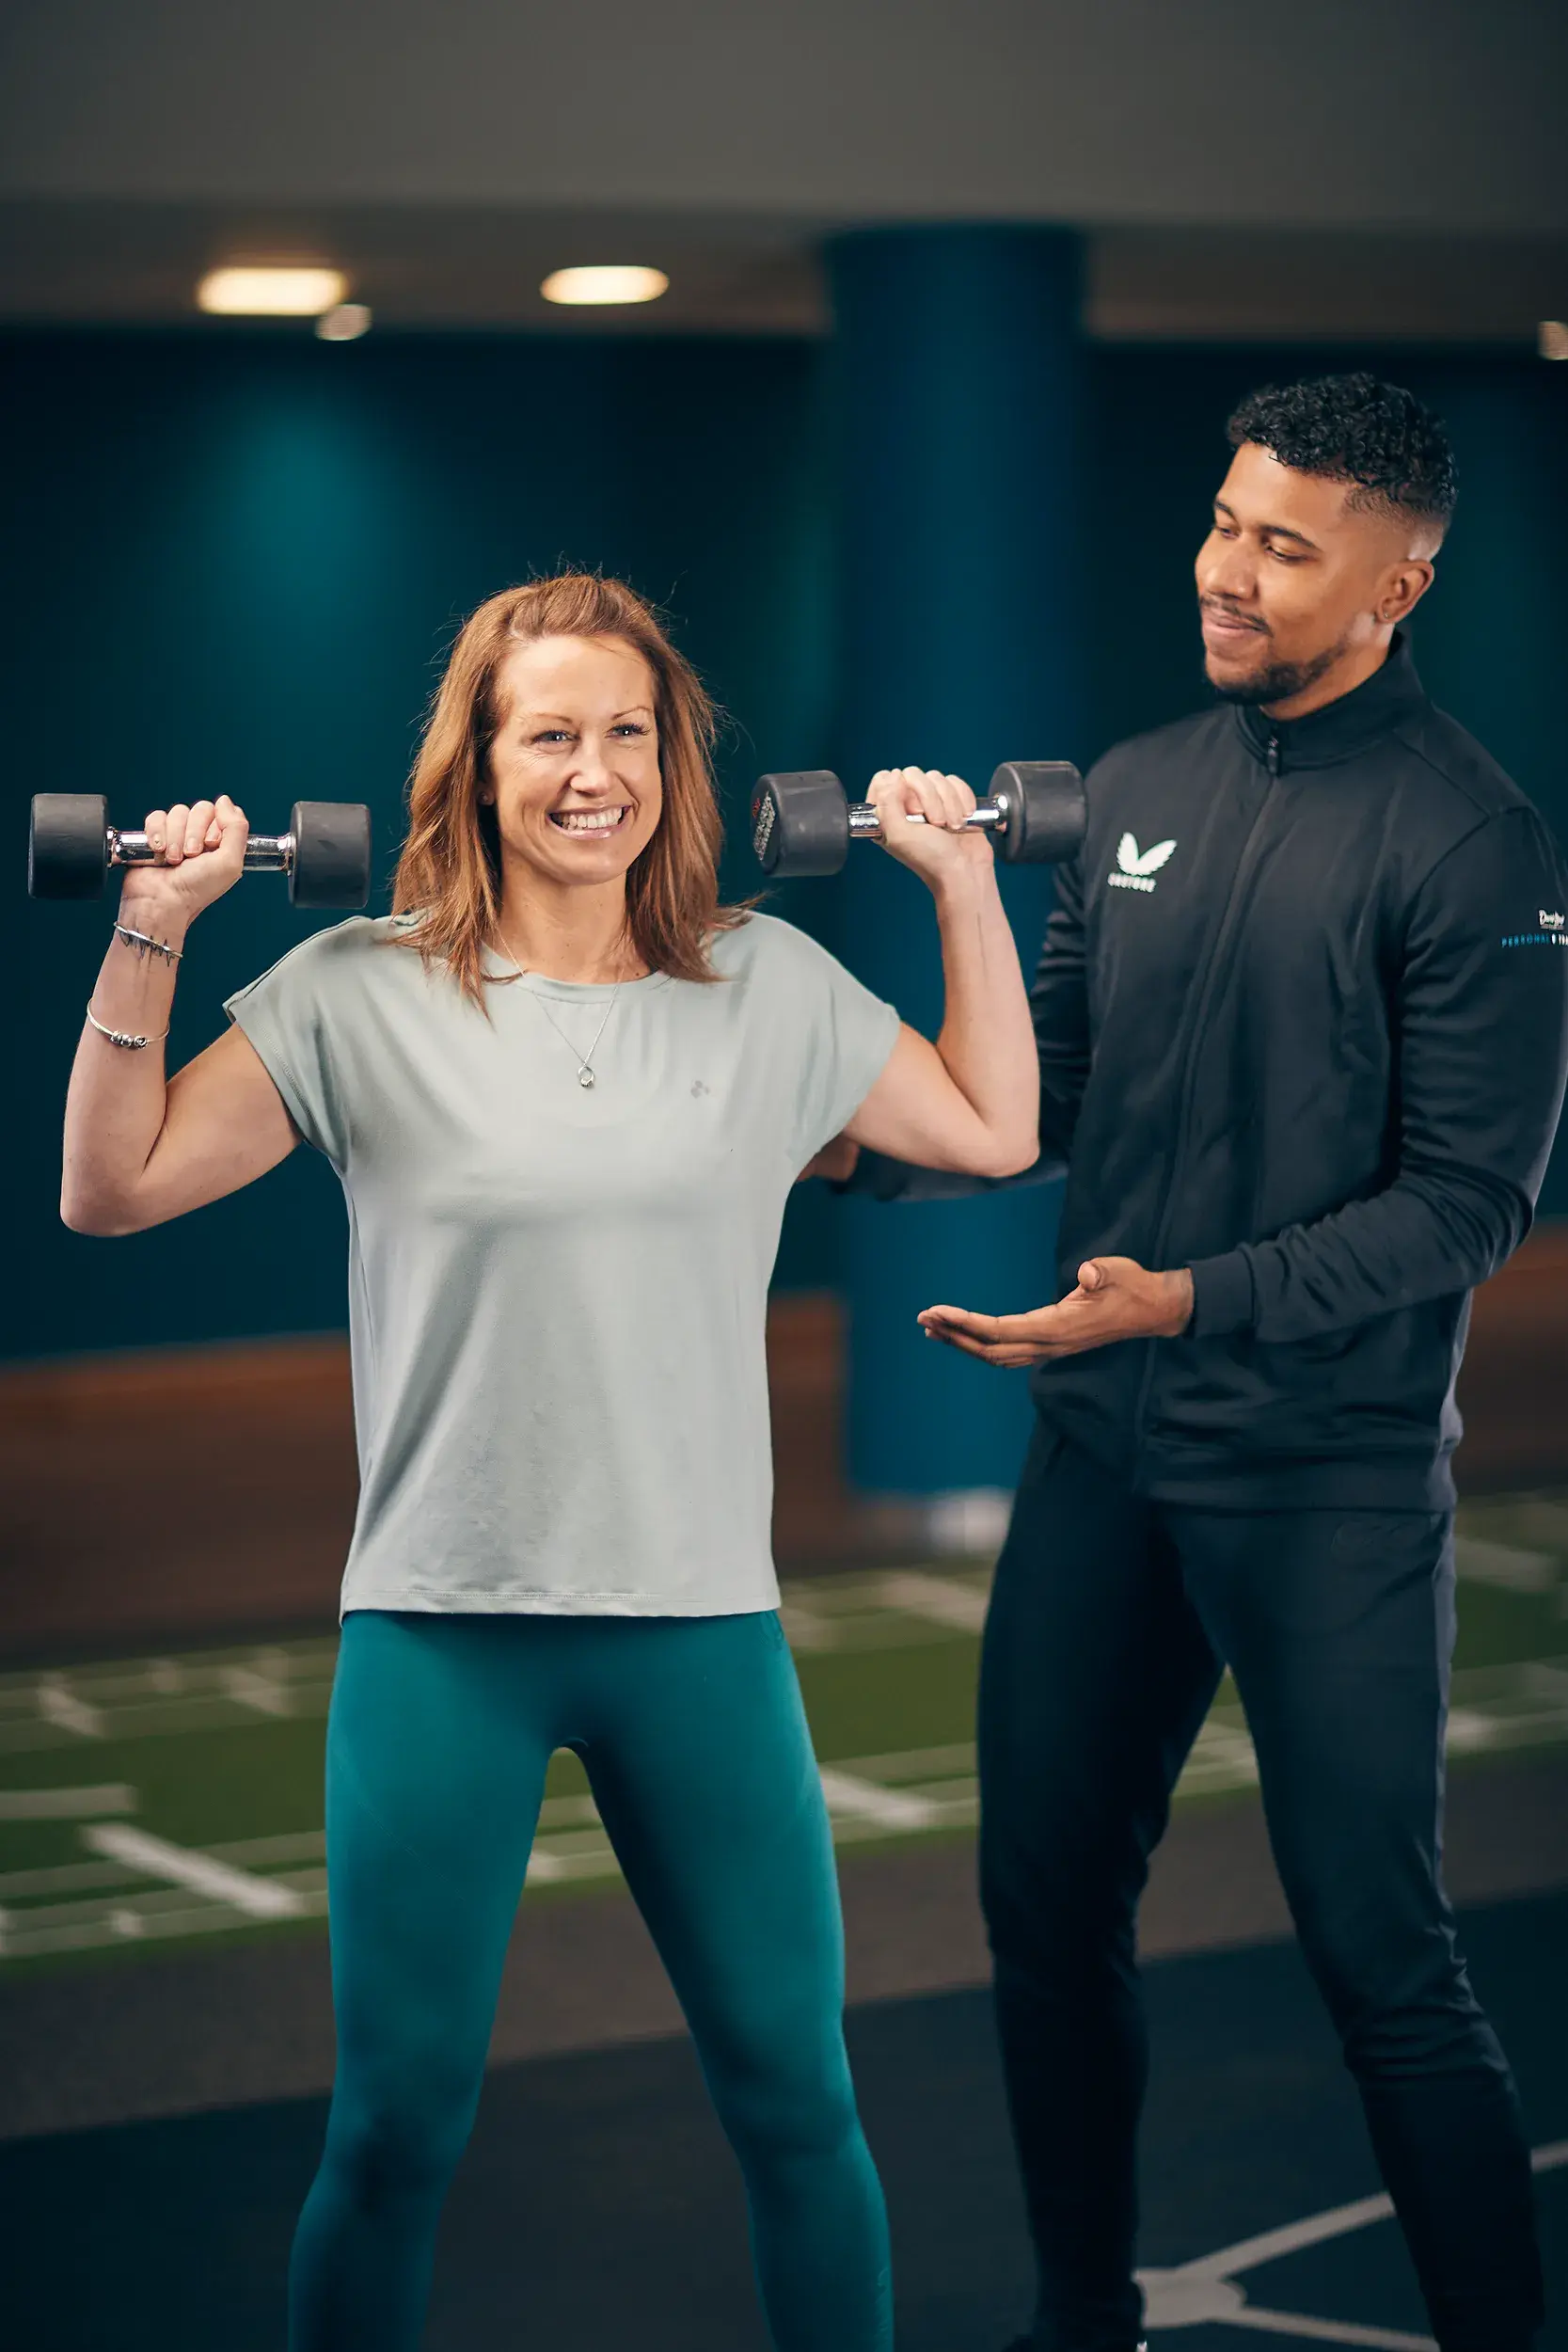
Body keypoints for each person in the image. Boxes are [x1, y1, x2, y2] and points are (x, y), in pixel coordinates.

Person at [58, 572, 1041, 2351]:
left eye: (627, 734)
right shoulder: (353, 990)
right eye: (550, 736)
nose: (593, 773)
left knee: (799, 2111)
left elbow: (989, 1129)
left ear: (671, 758)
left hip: (701, 1634)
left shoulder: (765, 983)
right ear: (475, 765)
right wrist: (153, 923)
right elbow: (108, 1190)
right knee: (392, 2132)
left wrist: (965, 882)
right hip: (444, 1632)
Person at [831, 375, 1568, 2352]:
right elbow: (1041, 1087)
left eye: (1281, 545)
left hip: (1319, 1478)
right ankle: (1086, 2318)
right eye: (1222, 523)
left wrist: (1187, 1297)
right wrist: (840, 1133)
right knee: (1042, 1918)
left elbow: (1464, 1206)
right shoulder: (1137, 785)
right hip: (1100, 1459)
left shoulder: (1468, 838)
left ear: (1394, 584)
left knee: (1380, 1958)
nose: (1225, 572)